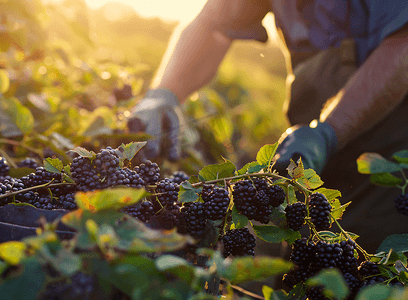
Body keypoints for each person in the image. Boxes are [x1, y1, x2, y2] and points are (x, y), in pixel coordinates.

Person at [129, 0, 408, 253]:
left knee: (371, 260)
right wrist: (164, 93)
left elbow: (403, 45)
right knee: (313, 263)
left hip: (393, 152)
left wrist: (329, 131)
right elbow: (213, 26)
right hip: (318, 151)